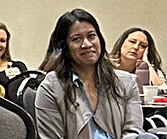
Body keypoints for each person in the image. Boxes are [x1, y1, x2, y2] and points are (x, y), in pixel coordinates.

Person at [35, 8, 143, 139]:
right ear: (64, 47)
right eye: (76, 39)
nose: (86, 44)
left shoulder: (126, 82)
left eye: (91, 36)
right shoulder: (51, 88)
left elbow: (134, 133)